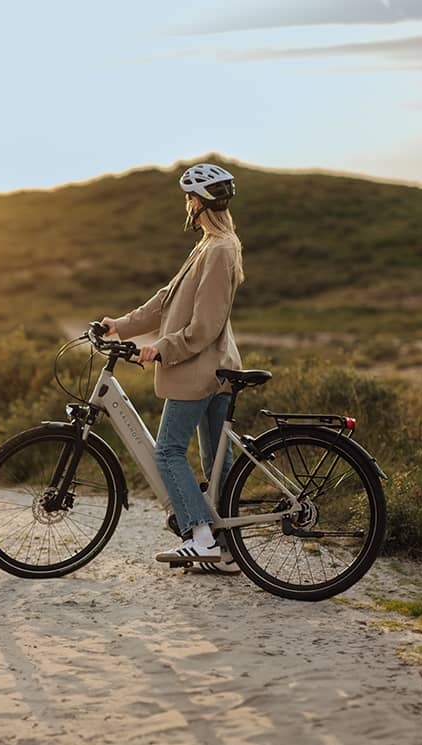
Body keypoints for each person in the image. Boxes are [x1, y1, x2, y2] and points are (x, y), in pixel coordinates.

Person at [102, 163, 245, 571]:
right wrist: (122, 326)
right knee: (217, 464)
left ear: (199, 203)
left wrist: (162, 348)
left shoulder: (219, 250)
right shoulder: (210, 245)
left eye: (190, 198)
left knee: (167, 453)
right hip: (214, 367)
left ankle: (201, 537)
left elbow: (204, 326)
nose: (187, 204)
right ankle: (226, 550)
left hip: (199, 370)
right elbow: (167, 301)